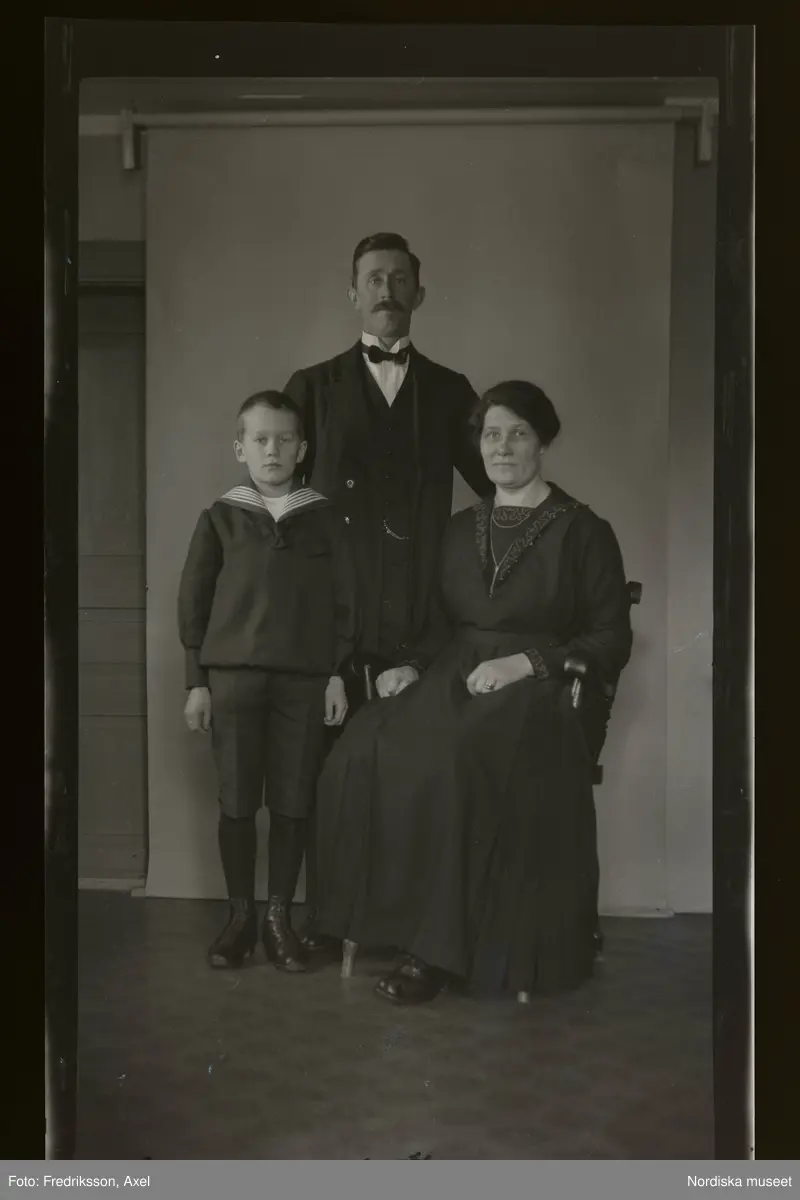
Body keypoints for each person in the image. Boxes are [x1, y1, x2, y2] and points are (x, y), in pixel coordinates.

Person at [313, 380, 634, 1004]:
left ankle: (434, 953)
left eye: (518, 433)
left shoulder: (584, 530)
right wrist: (411, 664)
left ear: (543, 442)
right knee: (365, 742)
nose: (503, 447)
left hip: (538, 687)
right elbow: (441, 622)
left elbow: (609, 638)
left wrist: (526, 663)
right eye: (491, 435)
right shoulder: (462, 527)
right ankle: (369, 922)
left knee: (456, 757)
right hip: (456, 671)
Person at [283, 232, 490, 946]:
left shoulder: (452, 390)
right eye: (374, 278)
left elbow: (498, 484)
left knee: (410, 772)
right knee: (322, 770)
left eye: (400, 279)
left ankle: (403, 925)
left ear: (419, 294)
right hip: (337, 611)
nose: (387, 291)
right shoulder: (313, 387)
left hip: (420, 615)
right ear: (353, 293)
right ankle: (322, 920)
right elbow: (280, 503)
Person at [177, 391, 356, 973]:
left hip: (304, 683)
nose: (272, 450)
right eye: (260, 439)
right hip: (232, 681)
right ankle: (240, 918)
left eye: (284, 439)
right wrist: (197, 682)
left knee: (292, 799)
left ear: (302, 449)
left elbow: (345, 604)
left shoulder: (326, 520)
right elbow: (194, 604)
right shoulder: (220, 518)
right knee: (236, 800)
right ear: (240, 448)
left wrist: (336, 674)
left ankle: (278, 919)